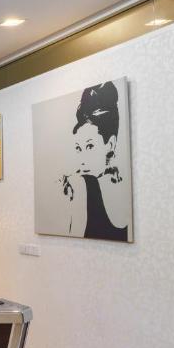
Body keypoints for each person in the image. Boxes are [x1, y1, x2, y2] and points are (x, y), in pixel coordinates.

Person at [58, 82, 129, 240]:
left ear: (110, 145)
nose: (82, 160)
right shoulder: (81, 183)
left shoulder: (82, 185)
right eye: (78, 148)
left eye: (90, 146)